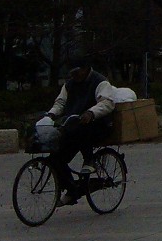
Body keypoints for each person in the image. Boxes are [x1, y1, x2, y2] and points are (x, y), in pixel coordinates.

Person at [43, 57, 116, 206]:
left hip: (98, 126)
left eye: (77, 72)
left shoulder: (100, 82)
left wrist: (91, 113)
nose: (74, 76)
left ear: (86, 68)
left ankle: (89, 160)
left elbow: (107, 103)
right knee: (55, 157)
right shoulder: (69, 85)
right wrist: (51, 114)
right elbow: (61, 103)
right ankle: (72, 190)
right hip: (74, 127)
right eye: (72, 73)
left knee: (84, 131)